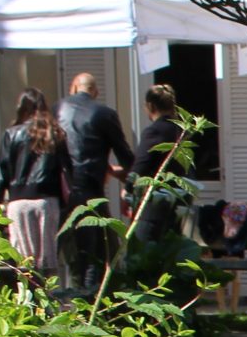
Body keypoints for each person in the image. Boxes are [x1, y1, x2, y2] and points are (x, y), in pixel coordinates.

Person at [56, 72, 133, 289]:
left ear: (73, 88)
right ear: (95, 92)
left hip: (62, 191)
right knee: (101, 254)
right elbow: (125, 156)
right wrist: (129, 183)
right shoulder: (104, 114)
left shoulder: (57, 109)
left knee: (72, 255)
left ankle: (77, 298)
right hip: (92, 190)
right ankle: (93, 300)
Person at [0, 90, 68, 276]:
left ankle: (26, 294)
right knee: (47, 261)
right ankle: (47, 293)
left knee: (22, 263)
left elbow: (2, 176)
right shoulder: (55, 134)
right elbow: (67, 171)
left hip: (18, 202)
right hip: (47, 201)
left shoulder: (11, 134)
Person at [134, 84, 191, 245]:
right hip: (179, 203)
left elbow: (140, 166)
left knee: (143, 250)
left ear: (150, 106)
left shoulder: (154, 131)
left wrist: (128, 188)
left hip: (156, 205)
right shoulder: (183, 132)